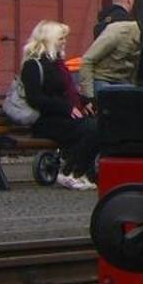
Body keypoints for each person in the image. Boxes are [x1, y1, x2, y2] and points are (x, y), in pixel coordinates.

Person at [20, 21, 97, 189]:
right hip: (47, 120)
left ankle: (82, 171)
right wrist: (66, 107)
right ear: (49, 39)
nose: (64, 41)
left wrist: (84, 102)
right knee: (91, 129)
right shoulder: (33, 65)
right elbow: (35, 98)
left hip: (66, 117)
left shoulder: (58, 64)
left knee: (98, 126)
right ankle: (70, 171)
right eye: (61, 38)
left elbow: (68, 91)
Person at [77, 2, 142, 108]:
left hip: (124, 82)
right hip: (103, 79)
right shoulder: (118, 32)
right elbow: (87, 61)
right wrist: (88, 98)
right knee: (112, 99)